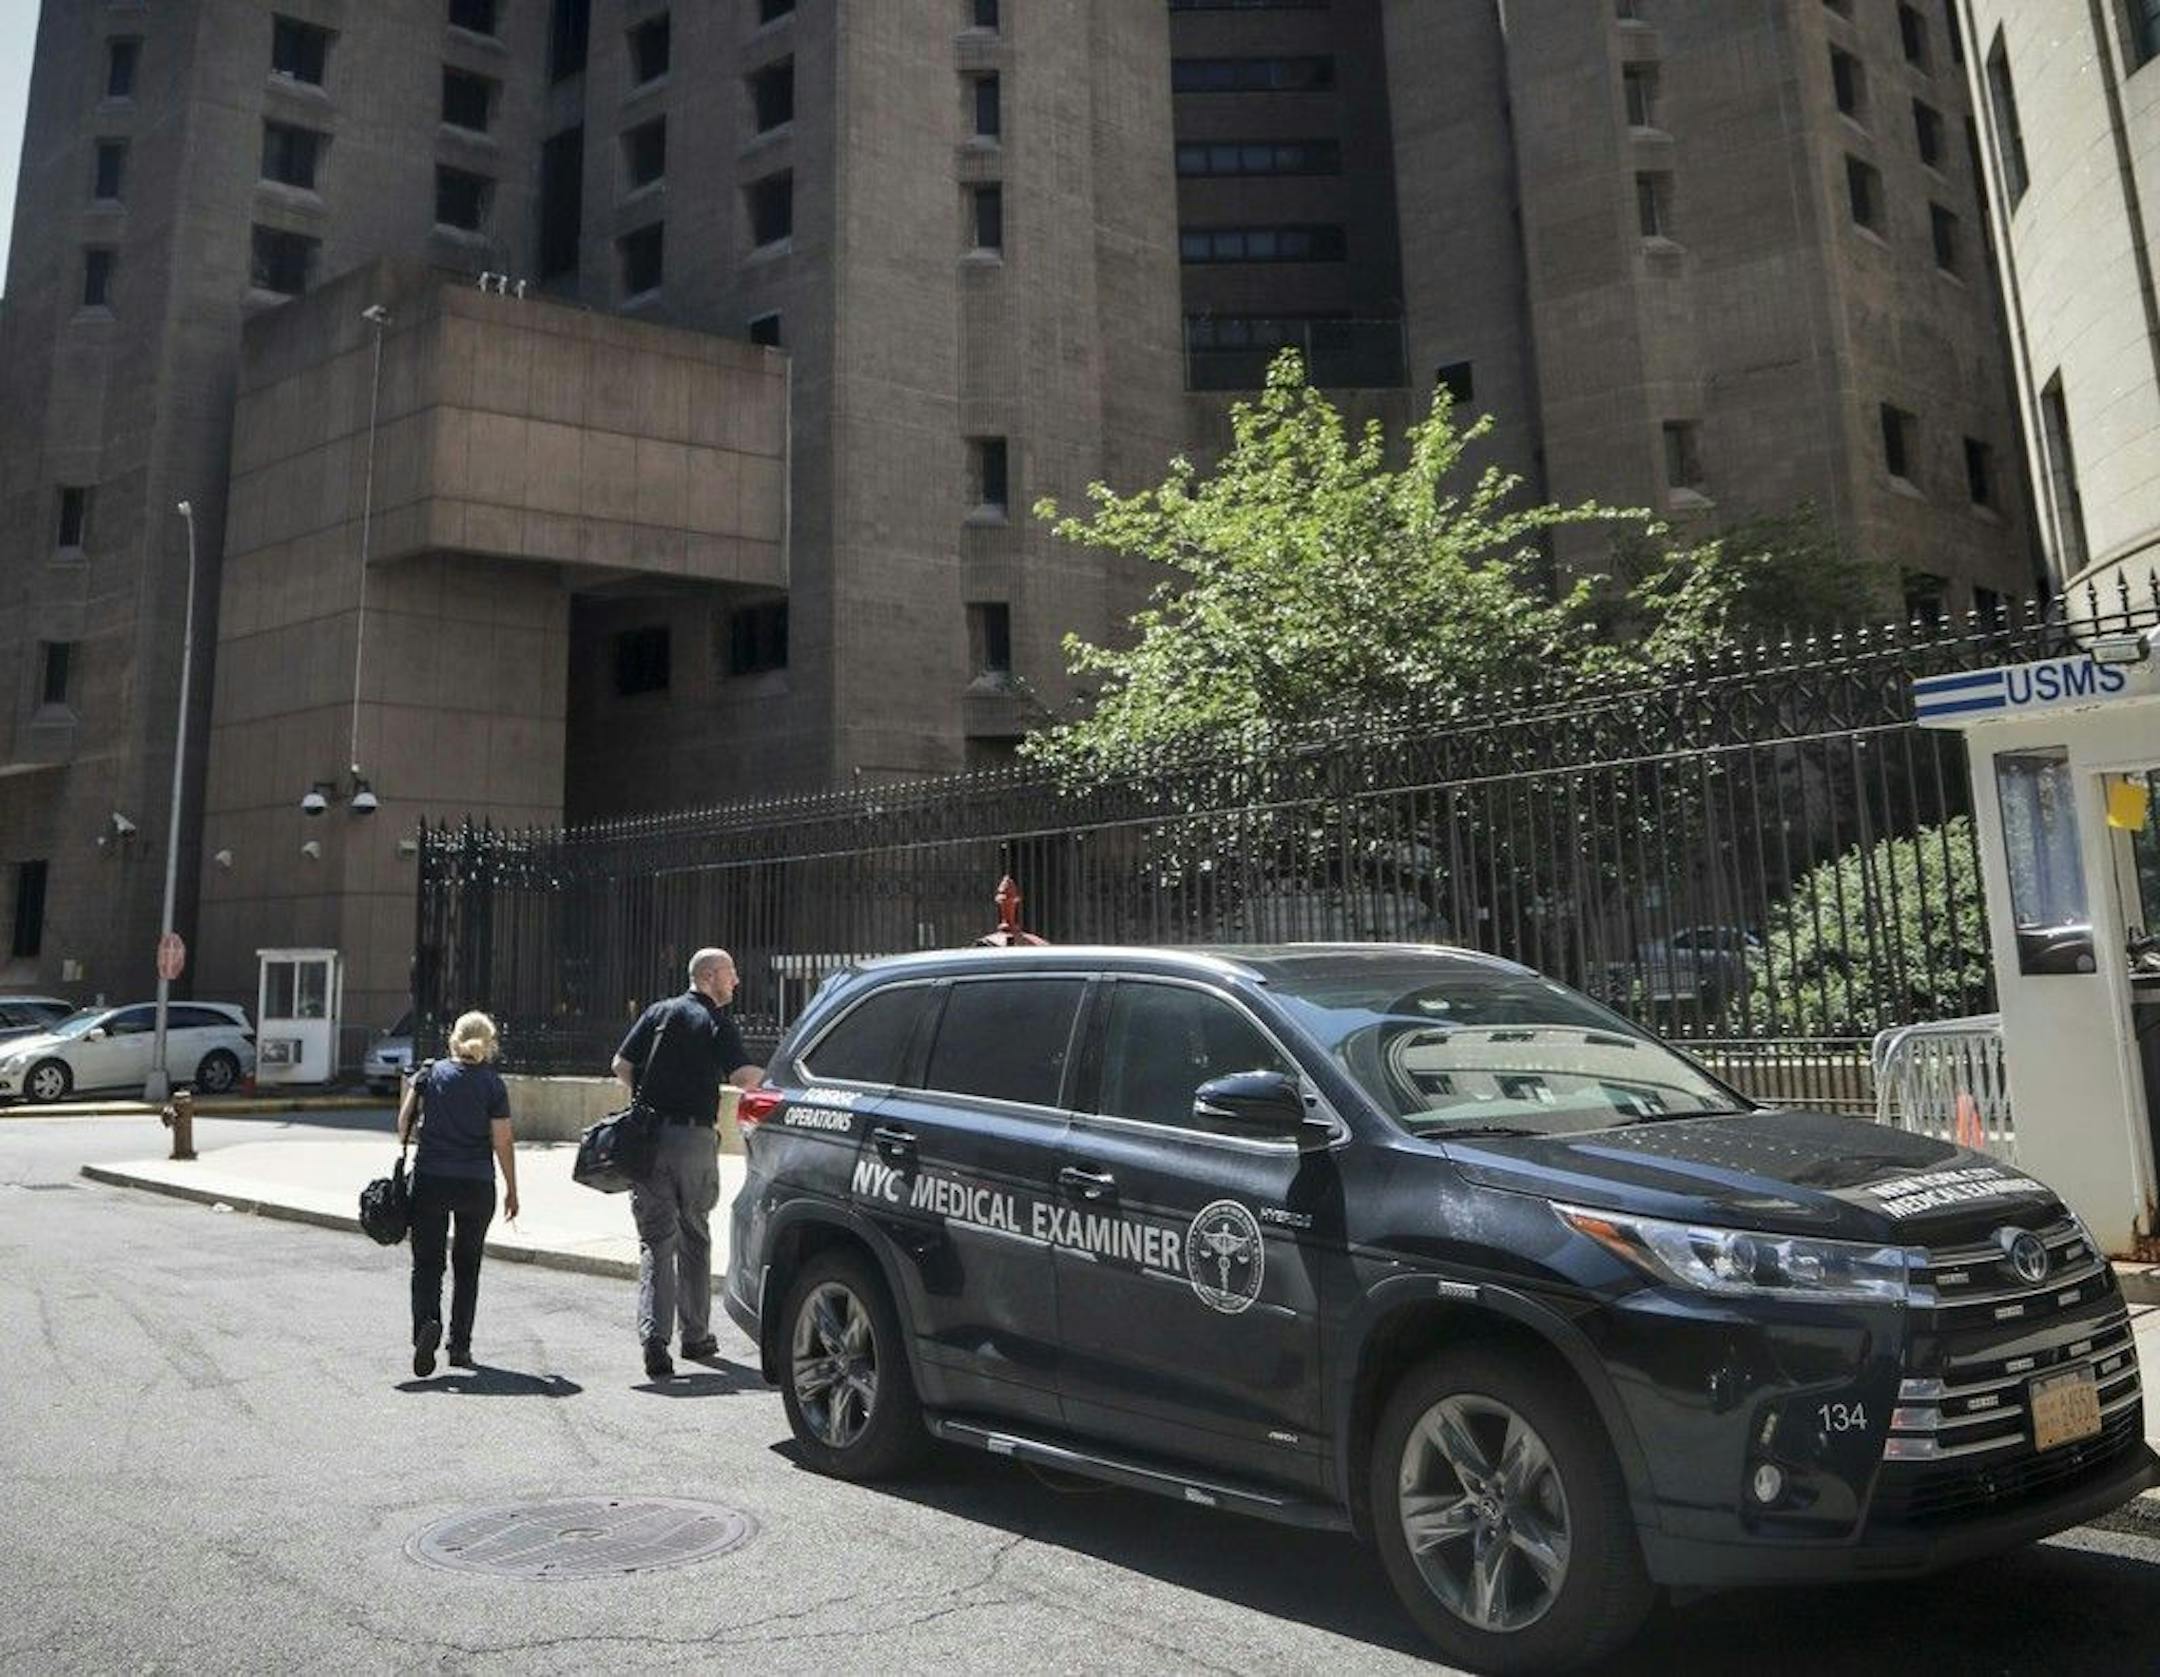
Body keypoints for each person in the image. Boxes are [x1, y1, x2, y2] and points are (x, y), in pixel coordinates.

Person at [612, 948, 763, 1380]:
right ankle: (695, 1336)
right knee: (694, 1234)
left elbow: (620, 1065)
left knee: (656, 1241)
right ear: (711, 976)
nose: (735, 982)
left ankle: (654, 1340)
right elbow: (742, 1078)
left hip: (648, 1139)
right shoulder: (715, 1020)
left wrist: (651, 1095)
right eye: (731, 974)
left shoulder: (658, 1012)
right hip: (695, 1139)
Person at [398, 1010, 519, 1378]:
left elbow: (403, 1123)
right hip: (476, 1183)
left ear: (453, 1038)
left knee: (427, 1263)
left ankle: (425, 1328)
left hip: (432, 1178)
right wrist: (513, 1189)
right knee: (467, 1267)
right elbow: (503, 1140)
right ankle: (460, 1346)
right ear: (490, 1044)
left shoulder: (429, 1074)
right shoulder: (493, 1085)